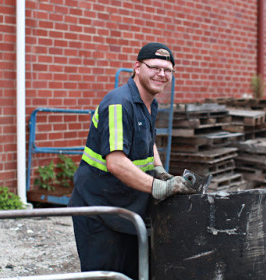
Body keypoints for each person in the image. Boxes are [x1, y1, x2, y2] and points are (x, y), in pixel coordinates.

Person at [68, 42, 195, 279]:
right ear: (137, 67)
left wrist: (159, 170)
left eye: (168, 70)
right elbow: (115, 162)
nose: (162, 74)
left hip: (127, 208)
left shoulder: (150, 102)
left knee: (133, 273)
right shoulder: (119, 103)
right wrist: (159, 187)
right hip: (100, 211)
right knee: (105, 276)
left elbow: (148, 139)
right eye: (154, 67)